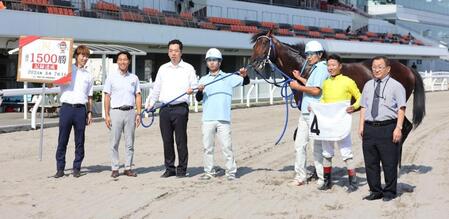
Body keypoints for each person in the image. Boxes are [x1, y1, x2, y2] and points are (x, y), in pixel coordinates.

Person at [195, 48, 249, 181]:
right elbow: (198, 98)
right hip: (208, 119)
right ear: (206, 62)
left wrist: (244, 75)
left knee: (227, 147)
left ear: (220, 62)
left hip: (223, 119)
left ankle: (231, 172)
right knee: (208, 148)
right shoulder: (203, 79)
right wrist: (200, 90)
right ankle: (209, 171)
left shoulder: (229, 77)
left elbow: (246, 82)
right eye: (209, 60)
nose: (212, 63)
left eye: (214, 60)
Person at [146, 39, 197, 178]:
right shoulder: (163, 69)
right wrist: (150, 103)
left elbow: (195, 86)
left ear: (181, 52)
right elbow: (156, 90)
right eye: (171, 51)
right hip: (164, 109)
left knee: (181, 140)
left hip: (180, 109)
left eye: (176, 51)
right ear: (168, 52)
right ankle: (169, 168)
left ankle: (182, 169)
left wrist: (192, 90)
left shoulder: (188, 68)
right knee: (167, 140)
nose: (173, 53)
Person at [359, 56, 406, 202]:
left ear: (388, 69)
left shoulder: (396, 86)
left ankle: (390, 192)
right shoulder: (368, 85)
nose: (376, 70)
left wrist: (398, 128)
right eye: (374, 67)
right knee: (370, 162)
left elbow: (401, 108)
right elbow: (363, 106)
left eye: (379, 67)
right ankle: (375, 190)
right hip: (369, 128)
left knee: (389, 162)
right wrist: (361, 125)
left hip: (388, 127)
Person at [317, 54, 361, 192]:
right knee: (326, 152)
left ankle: (353, 183)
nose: (330, 68)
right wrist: (316, 107)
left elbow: (360, 97)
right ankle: (327, 182)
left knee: (346, 152)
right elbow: (323, 100)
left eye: (333, 65)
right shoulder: (325, 82)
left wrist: (354, 107)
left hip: (342, 121)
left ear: (340, 66)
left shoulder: (348, 81)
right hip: (327, 123)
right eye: (328, 65)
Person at [288, 40, 329, 187]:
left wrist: (297, 86)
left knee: (315, 147)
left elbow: (316, 90)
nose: (308, 57)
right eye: (307, 54)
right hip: (305, 113)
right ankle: (301, 176)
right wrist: (300, 78)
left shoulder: (322, 68)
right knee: (299, 145)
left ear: (319, 54)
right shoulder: (315, 68)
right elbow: (312, 85)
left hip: (314, 113)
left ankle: (322, 177)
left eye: (311, 54)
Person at [54, 45, 93, 178]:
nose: (84, 58)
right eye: (82, 55)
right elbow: (52, 82)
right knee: (62, 140)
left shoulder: (88, 75)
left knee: (80, 140)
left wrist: (89, 112)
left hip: (81, 110)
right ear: (76, 55)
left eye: (86, 56)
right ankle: (60, 168)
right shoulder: (67, 70)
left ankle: (77, 167)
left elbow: (89, 96)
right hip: (66, 108)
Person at [103, 51, 142, 178]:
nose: (122, 62)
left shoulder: (134, 78)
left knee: (130, 143)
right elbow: (107, 96)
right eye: (120, 59)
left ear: (129, 61)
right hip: (116, 112)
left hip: (130, 112)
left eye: (125, 59)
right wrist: (107, 115)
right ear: (117, 61)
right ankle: (115, 168)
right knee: (114, 142)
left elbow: (138, 95)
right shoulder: (111, 77)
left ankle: (128, 167)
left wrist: (138, 113)